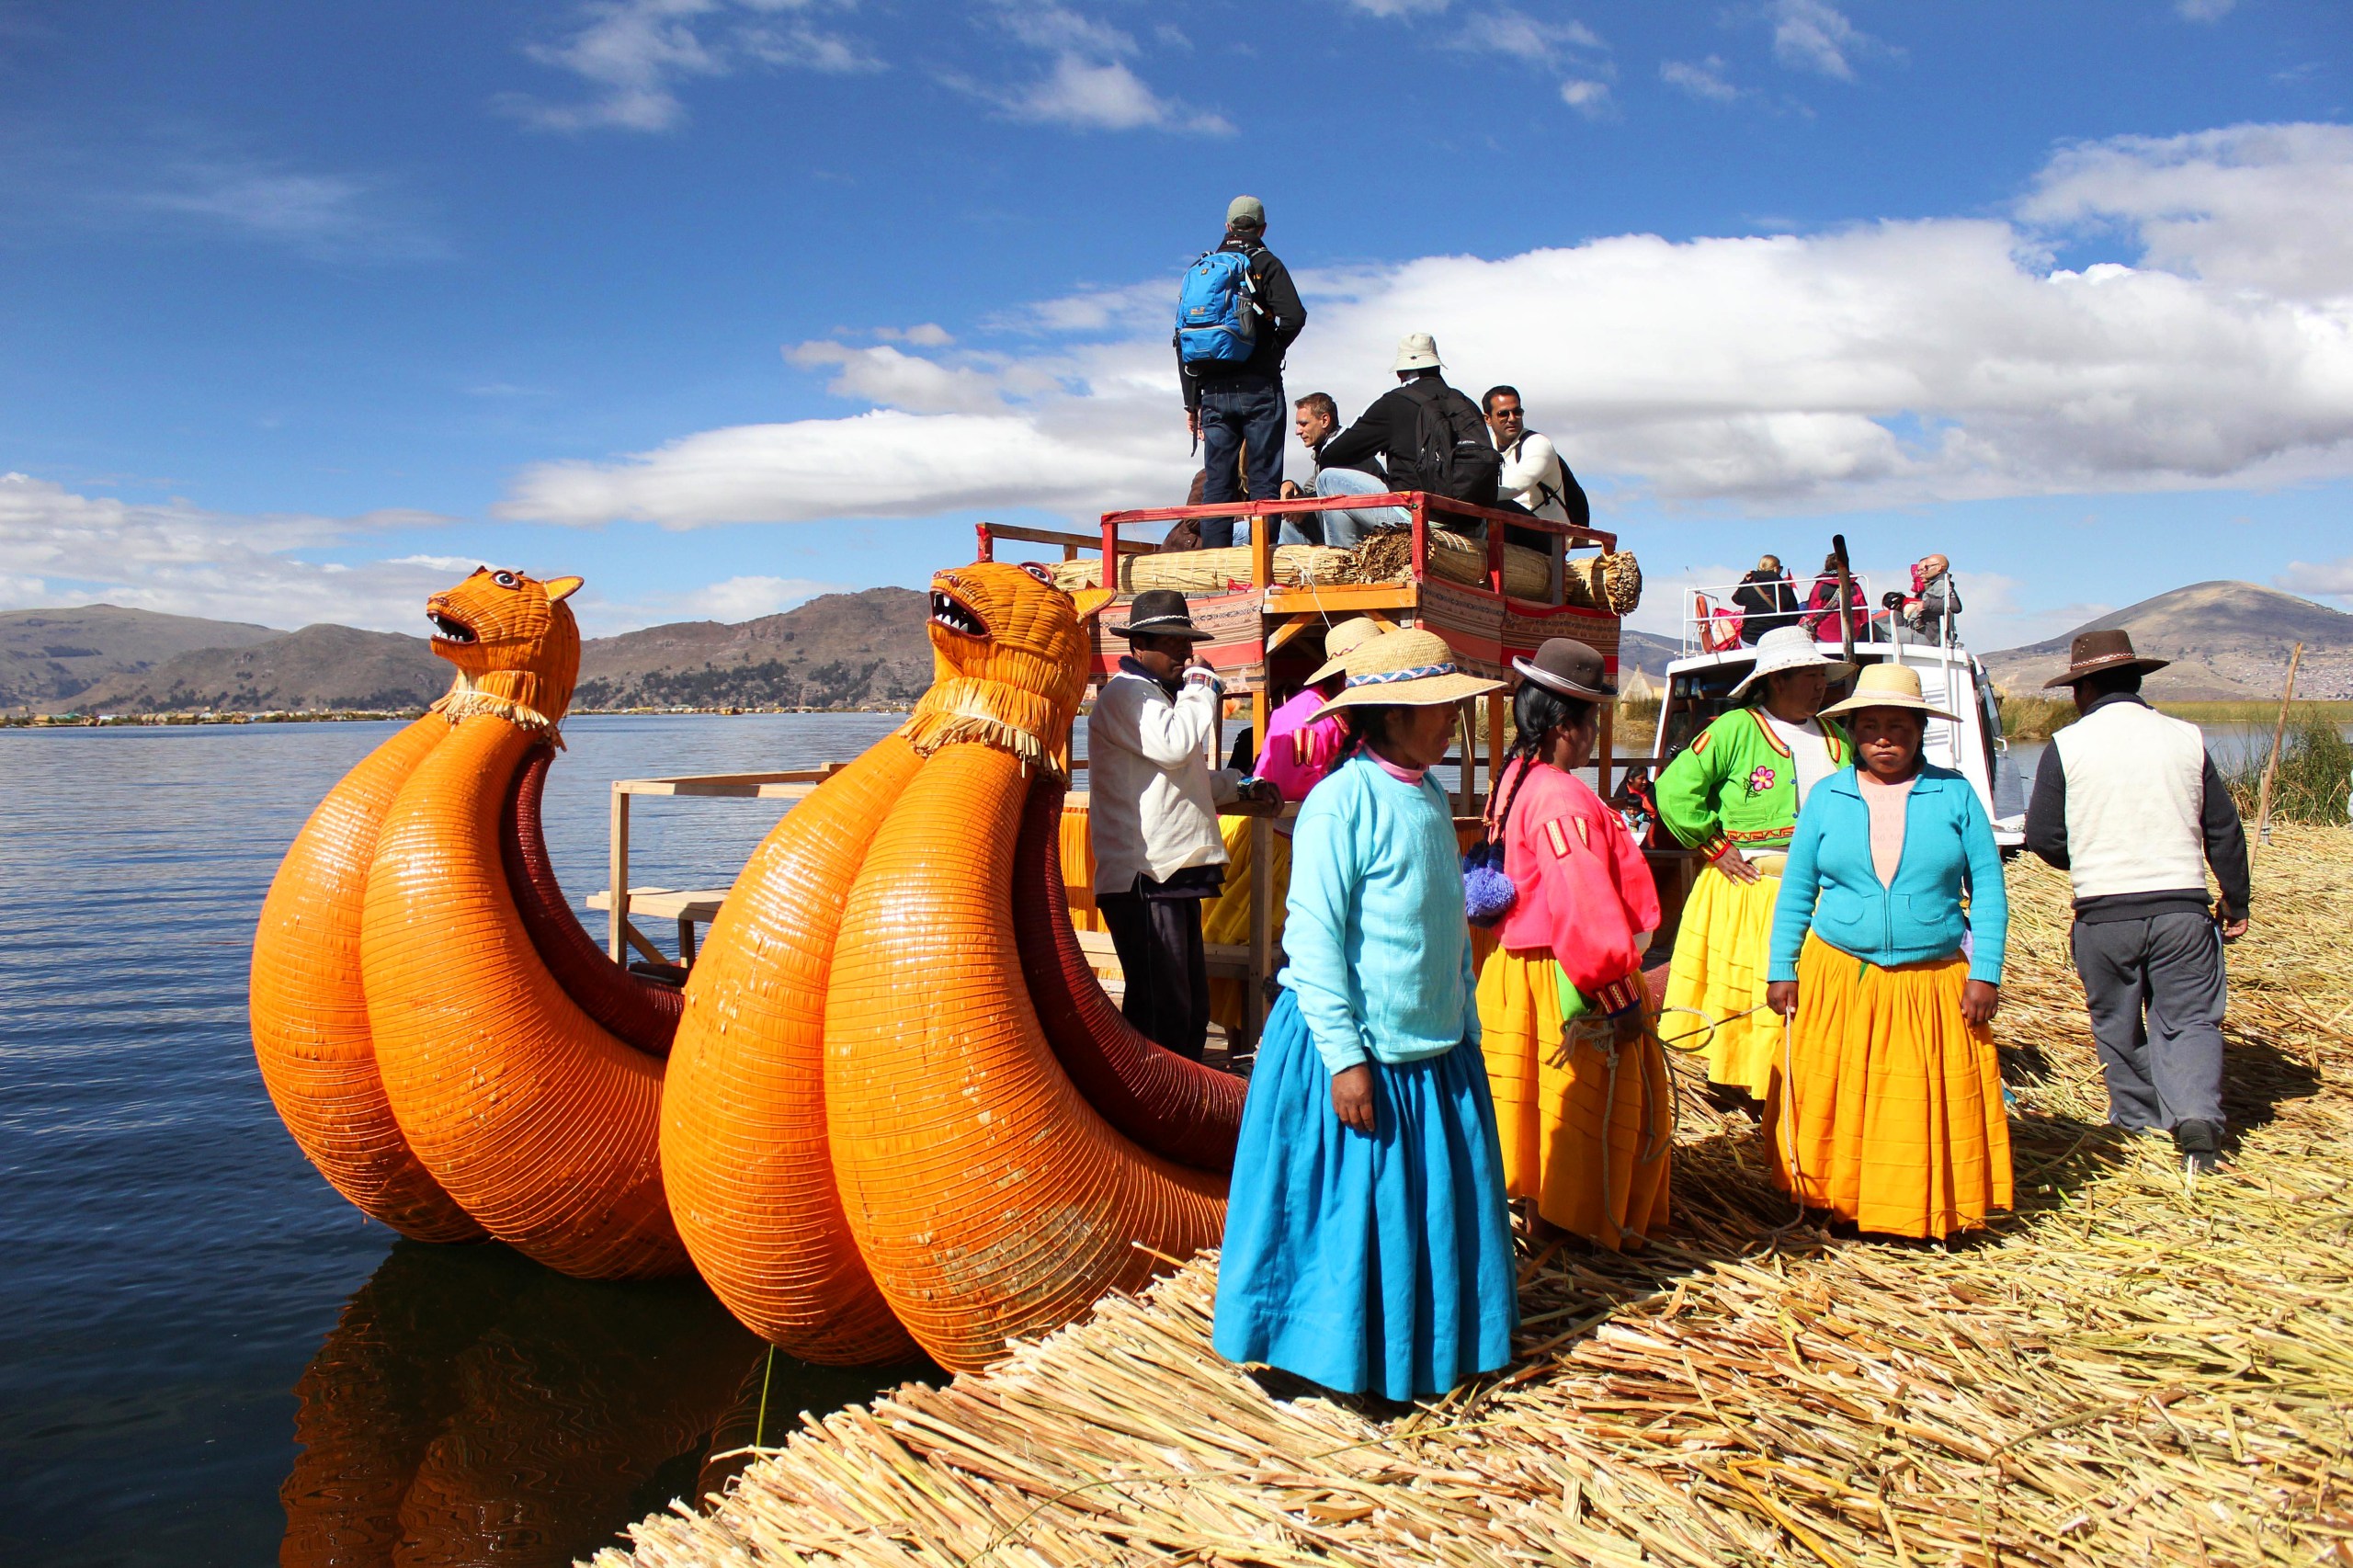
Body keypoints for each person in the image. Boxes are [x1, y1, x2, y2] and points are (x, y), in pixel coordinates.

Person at [1213, 629, 1517, 1401]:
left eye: (1451, 704)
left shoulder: (1428, 795)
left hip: (1431, 1048)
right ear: (1384, 714)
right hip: (1350, 1050)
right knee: (1343, 1216)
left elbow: (1444, 924)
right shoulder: (1340, 802)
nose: (1450, 719)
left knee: (1423, 1217)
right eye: (1434, 707)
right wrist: (1345, 1059)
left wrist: (1466, 1023)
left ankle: (1421, 1350)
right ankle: (1330, 1360)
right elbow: (1311, 938)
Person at [1766, 663, 2010, 1241]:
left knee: (1912, 1103)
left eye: (1898, 727)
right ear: (1850, 730)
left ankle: (1915, 1213)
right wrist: (1782, 968)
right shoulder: (1828, 797)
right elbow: (1798, 889)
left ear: (1921, 730)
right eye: (1869, 726)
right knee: (1840, 1096)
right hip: (1839, 976)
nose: (1883, 738)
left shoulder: (1954, 793)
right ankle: (1835, 1203)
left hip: (1929, 979)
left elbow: (1991, 887)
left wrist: (1987, 971)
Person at [2025, 631, 2250, 1174]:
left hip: (2104, 916)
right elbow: (2223, 829)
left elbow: (2043, 836)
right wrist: (2236, 901)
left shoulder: (2068, 745)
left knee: (2117, 1020)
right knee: (2190, 1019)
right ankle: (2196, 1120)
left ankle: (2135, 1120)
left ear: (2083, 689)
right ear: (2137, 680)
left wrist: (2096, 861)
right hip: (2183, 911)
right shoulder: (2185, 737)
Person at [1475, 640, 1668, 1251]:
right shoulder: (1560, 796)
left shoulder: (1515, 777)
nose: (1591, 739)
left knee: (1533, 1107)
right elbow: (1582, 903)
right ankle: (1569, 1232)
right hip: (1567, 978)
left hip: (1519, 970)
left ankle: (1541, 1220)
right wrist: (1619, 995)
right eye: (1590, 725)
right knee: (1575, 1108)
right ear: (1567, 727)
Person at [1656, 626, 1854, 1102]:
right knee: (1749, 985)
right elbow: (1674, 791)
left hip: (1820, 890)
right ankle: (1740, 1084)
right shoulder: (1735, 729)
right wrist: (1716, 848)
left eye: (1821, 674)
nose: (1819, 683)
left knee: (1808, 987)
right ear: (1778, 680)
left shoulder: (1835, 738)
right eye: (1808, 674)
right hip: (1752, 884)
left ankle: (1799, 1078)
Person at [1091, 588, 1280, 1060]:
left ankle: (1175, 1107)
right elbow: (1177, 748)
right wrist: (1202, 689)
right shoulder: (1127, 695)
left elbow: (1181, 776)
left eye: (1185, 643)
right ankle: (1153, 1113)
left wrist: (1240, 787)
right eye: (1170, 642)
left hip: (1169, 876)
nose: (1183, 652)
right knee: (1163, 1011)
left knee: (1188, 1009)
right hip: (1144, 877)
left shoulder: (1152, 698)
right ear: (1138, 647)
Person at [1200, 617, 1391, 1033]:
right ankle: (1255, 1044)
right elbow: (1284, 793)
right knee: (1262, 947)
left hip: (1315, 847)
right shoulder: (1308, 718)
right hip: (1281, 849)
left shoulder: (1347, 714)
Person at [1176, 196, 1307, 550]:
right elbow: (1295, 316)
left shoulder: (1201, 269)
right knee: (1264, 479)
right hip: (1259, 387)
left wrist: (1192, 404)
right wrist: (1270, 351)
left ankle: (1216, 562)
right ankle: (1260, 563)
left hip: (1213, 390)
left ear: (1227, 226)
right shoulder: (1265, 262)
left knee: (1218, 482)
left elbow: (1183, 338)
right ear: (1262, 228)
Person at [1313, 334, 1499, 531]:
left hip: (1417, 514)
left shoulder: (1394, 403)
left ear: (1400, 372)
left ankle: (1345, 558)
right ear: (1437, 367)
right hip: (1469, 520)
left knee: (1328, 479)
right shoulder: (1466, 403)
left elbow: (1333, 453)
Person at [1277, 392, 1403, 548]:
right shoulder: (1323, 452)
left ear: (1324, 420)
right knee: (1287, 521)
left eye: (1303, 424)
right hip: (1339, 524)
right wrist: (1291, 485)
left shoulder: (1343, 449)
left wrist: (1306, 505)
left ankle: (1340, 559)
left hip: (1366, 529)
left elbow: (1343, 492)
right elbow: (1313, 489)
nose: (1297, 431)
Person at [1482, 386, 1590, 529]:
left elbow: (1515, 486)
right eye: (1503, 414)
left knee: (1502, 507)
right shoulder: (1486, 448)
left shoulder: (1538, 444)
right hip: (1512, 525)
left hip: (1550, 534)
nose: (1512, 418)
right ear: (1488, 419)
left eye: (1517, 412)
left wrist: (1468, 497)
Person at [1731, 555, 1802, 644]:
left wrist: (1745, 581)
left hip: (1750, 639)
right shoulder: (1785, 590)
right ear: (1776, 569)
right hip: (1777, 639)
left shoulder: (1749, 587)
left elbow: (1736, 599)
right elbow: (1793, 618)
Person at [1802, 553, 1868, 643]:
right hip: (1852, 635)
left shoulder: (1820, 587)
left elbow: (1812, 613)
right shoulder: (1855, 587)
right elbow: (1864, 615)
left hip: (1824, 635)